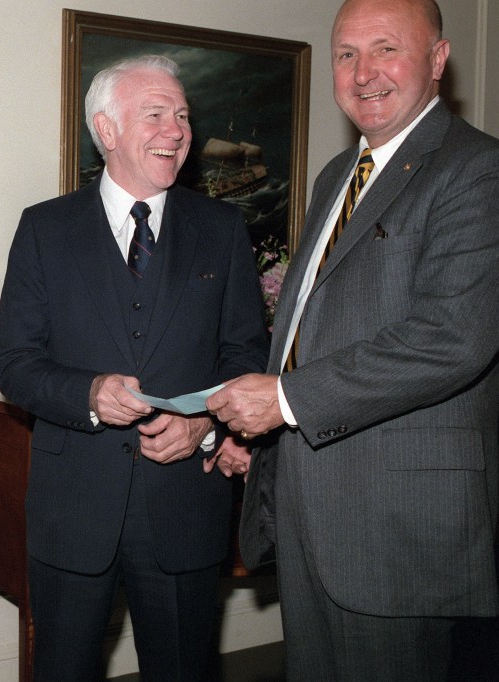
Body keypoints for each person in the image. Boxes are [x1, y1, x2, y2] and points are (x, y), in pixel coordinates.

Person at [205, 1, 499, 679]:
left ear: (437, 59)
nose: (363, 72)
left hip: (396, 528)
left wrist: (282, 401)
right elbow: (313, 327)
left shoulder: (476, 170)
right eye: (345, 53)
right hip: (313, 511)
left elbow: (453, 337)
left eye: (386, 49)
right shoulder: (337, 176)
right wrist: (264, 440)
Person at [0, 55, 268, 681]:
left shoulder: (222, 228)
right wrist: (88, 394)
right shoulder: (44, 229)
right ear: (107, 129)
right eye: (155, 114)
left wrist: (205, 422)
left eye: (182, 115)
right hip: (72, 511)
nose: (176, 130)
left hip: (185, 507)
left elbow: (246, 353)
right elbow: (14, 362)